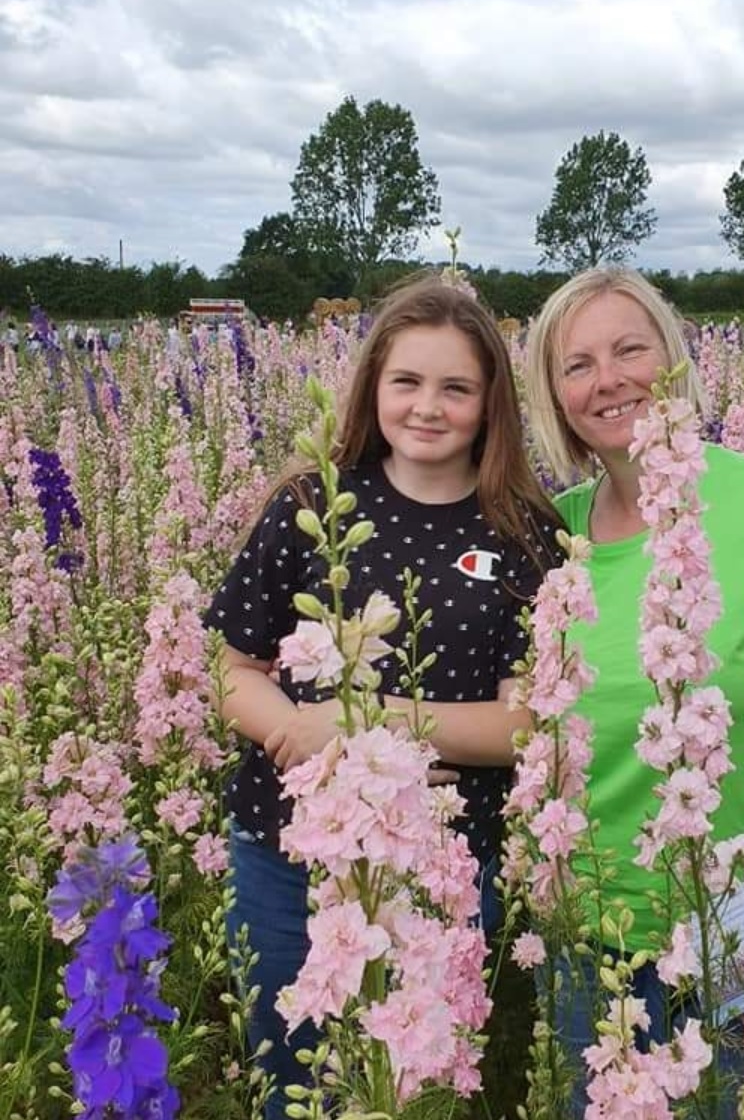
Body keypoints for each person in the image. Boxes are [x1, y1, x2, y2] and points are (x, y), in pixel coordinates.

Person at [205, 274, 563, 1118]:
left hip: (439, 866)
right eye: (406, 381)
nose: (427, 407)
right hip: (288, 854)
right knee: (297, 1080)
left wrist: (375, 730)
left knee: (415, 1084)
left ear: (490, 404)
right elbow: (232, 670)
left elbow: (523, 725)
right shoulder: (312, 504)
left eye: (456, 388)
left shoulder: (523, 532)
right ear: (373, 386)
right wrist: (302, 732)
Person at [523, 268, 744, 1117]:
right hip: (588, 933)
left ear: (673, 361)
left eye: (629, 349)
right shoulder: (549, 532)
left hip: (743, 927)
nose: (607, 380)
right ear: (553, 395)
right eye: (577, 365)